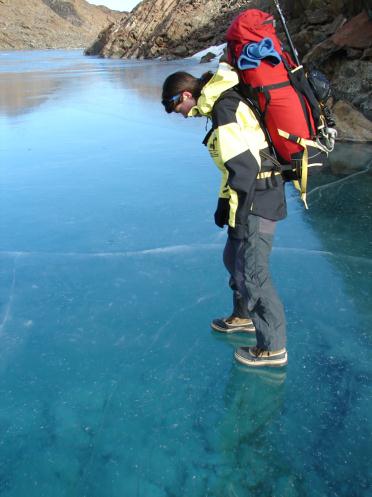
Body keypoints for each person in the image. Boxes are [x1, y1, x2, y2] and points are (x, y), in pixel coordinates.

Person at [161, 62, 287, 367]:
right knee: (234, 259)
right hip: (246, 197)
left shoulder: (224, 108)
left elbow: (244, 168)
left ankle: (272, 348)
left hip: (258, 198)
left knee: (253, 274)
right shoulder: (218, 106)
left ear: (186, 95)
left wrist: (240, 216)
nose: (177, 113)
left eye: (174, 106)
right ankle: (243, 316)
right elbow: (231, 169)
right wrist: (223, 201)